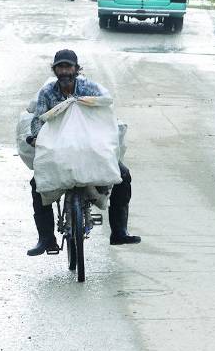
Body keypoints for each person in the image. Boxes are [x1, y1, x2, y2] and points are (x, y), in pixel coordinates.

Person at [25, 49, 141, 255]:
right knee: (37, 184)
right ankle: (46, 239)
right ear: (54, 70)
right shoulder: (47, 93)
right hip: (59, 150)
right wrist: (36, 137)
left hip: (90, 146)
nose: (64, 71)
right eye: (60, 67)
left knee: (123, 175)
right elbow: (38, 120)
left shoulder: (89, 88)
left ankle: (119, 231)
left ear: (76, 69)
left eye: (68, 67)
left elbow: (105, 113)